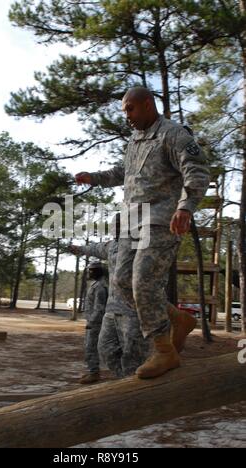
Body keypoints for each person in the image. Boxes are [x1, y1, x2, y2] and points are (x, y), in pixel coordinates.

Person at [75, 86, 210, 379]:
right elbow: (122, 174)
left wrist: (185, 207)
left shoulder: (173, 134)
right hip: (130, 224)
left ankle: (164, 350)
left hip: (161, 221)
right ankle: (178, 319)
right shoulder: (134, 141)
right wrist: (93, 178)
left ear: (148, 104)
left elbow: (197, 170)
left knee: (142, 281)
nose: (127, 117)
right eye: (124, 111)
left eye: (130, 109)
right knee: (123, 281)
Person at [69, 214, 149, 378]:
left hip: (133, 309)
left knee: (133, 353)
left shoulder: (139, 244)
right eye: (115, 225)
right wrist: (78, 249)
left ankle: (133, 387)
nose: (117, 227)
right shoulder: (110, 246)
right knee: (105, 348)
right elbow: (93, 248)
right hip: (111, 309)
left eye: (121, 224)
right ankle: (124, 381)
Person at [79, 261, 108, 384]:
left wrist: (91, 322)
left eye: (92, 270)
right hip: (94, 322)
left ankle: (94, 373)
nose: (89, 273)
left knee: (91, 347)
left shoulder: (100, 287)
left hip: (96, 323)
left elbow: (99, 307)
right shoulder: (96, 284)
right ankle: (93, 371)